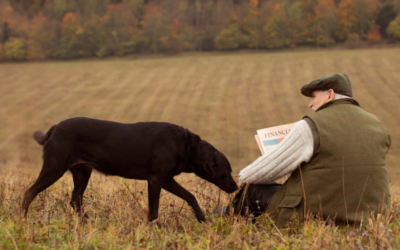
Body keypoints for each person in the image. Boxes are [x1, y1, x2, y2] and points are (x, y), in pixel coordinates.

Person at [214, 73, 391, 227]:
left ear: (329, 94)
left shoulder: (311, 125)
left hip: (319, 214)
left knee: (254, 188)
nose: (310, 104)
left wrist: (241, 178)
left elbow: (264, 171)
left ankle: (230, 218)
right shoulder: (378, 124)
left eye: (313, 97)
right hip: (372, 215)